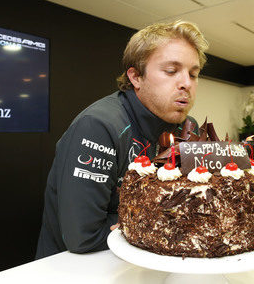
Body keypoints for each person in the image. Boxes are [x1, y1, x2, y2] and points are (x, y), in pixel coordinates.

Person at [35, 20, 209, 259]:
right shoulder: (98, 127)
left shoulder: (189, 128)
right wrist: (167, 212)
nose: (186, 83)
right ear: (136, 77)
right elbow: (83, 236)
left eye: (194, 74)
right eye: (171, 71)